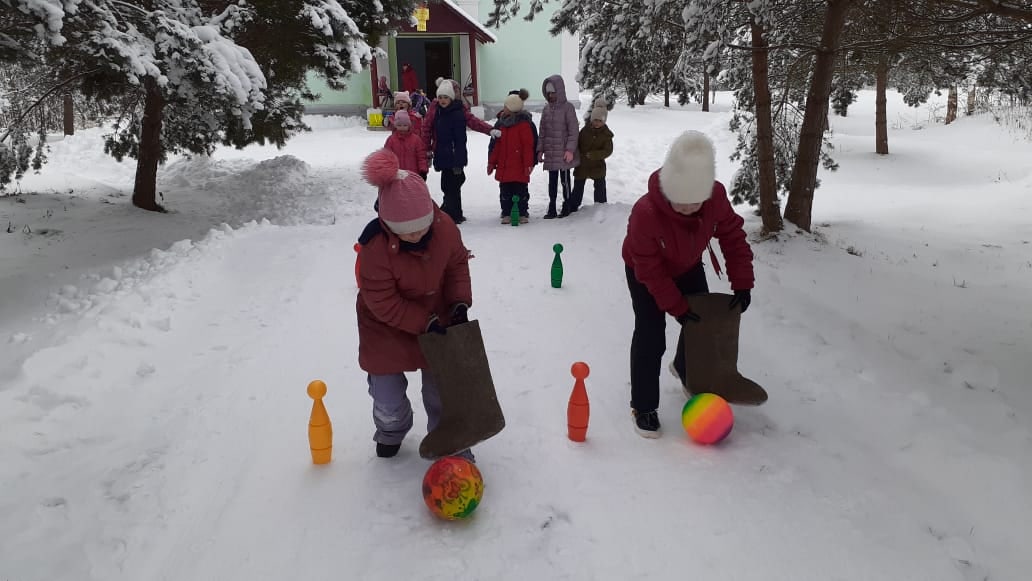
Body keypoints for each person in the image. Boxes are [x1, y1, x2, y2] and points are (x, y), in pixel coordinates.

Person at [621, 131, 755, 438]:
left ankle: (685, 368)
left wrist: (742, 283)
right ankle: (643, 406)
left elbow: (733, 237)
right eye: (679, 203)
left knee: (701, 323)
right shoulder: (645, 213)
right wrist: (676, 306)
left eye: (694, 203)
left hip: (687, 263)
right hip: (644, 271)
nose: (686, 209)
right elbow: (650, 270)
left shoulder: (715, 198)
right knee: (651, 335)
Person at [356, 148, 474, 460]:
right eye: (407, 231)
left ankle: (450, 440)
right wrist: (424, 322)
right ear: (388, 223)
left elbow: (457, 266)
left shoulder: (444, 227)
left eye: (422, 226)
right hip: (384, 327)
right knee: (387, 395)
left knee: (443, 389)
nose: (417, 234)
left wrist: (459, 303)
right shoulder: (374, 247)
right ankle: (391, 429)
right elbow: (383, 301)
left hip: (437, 316)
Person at [422, 77, 497, 224]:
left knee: (456, 181)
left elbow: (474, 122)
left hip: (457, 154)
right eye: (440, 97)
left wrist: (490, 130)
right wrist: (426, 149)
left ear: (452, 97)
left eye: (446, 97)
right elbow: (426, 129)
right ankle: (452, 212)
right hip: (442, 153)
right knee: (447, 183)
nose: (442, 100)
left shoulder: (460, 110)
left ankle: (452, 212)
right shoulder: (435, 111)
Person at [487, 92, 536, 224]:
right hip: (504, 166)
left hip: (519, 166)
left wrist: (528, 164)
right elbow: (497, 146)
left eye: (506, 106)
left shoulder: (524, 125)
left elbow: (528, 147)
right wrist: (491, 162)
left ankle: (522, 212)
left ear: (512, 108)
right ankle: (506, 212)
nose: (504, 108)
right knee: (505, 192)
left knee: (521, 191)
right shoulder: (502, 124)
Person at [537, 74, 579, 219]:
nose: (551, 96)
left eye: (553, 92)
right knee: (552, 182)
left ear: (559, 91)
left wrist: (570, 150)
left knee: (565, 180)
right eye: (548, 93)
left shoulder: (568, 108)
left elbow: (573, 131)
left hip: (563, 153)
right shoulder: (546, 109)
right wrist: (540, 150)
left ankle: (567, 205)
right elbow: (542, 131)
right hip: (551, 152)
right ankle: (552, 206)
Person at [569, 99, 613, 212]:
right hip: (582, 164)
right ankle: (573, 206)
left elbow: (608, 150)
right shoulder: (585, 131)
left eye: (600, 121)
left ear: (604, 121)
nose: (597, 123)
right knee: (578, 187)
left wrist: (595, 155)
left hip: (597, 165)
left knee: (600, 187)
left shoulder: (606, 135)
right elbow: (577, 143)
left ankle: (601, 207)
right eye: (595, 120)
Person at [383, 110, 428, 181]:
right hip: (397, 175)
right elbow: (386, 157)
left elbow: (421, 156)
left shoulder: (416, 140)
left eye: (405, 125)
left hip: (413, 175)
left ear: (409, 125)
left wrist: (423, 170)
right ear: (395, 126)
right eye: (399, 125)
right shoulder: (391, 140)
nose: (402, 127)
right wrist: (387, 171)